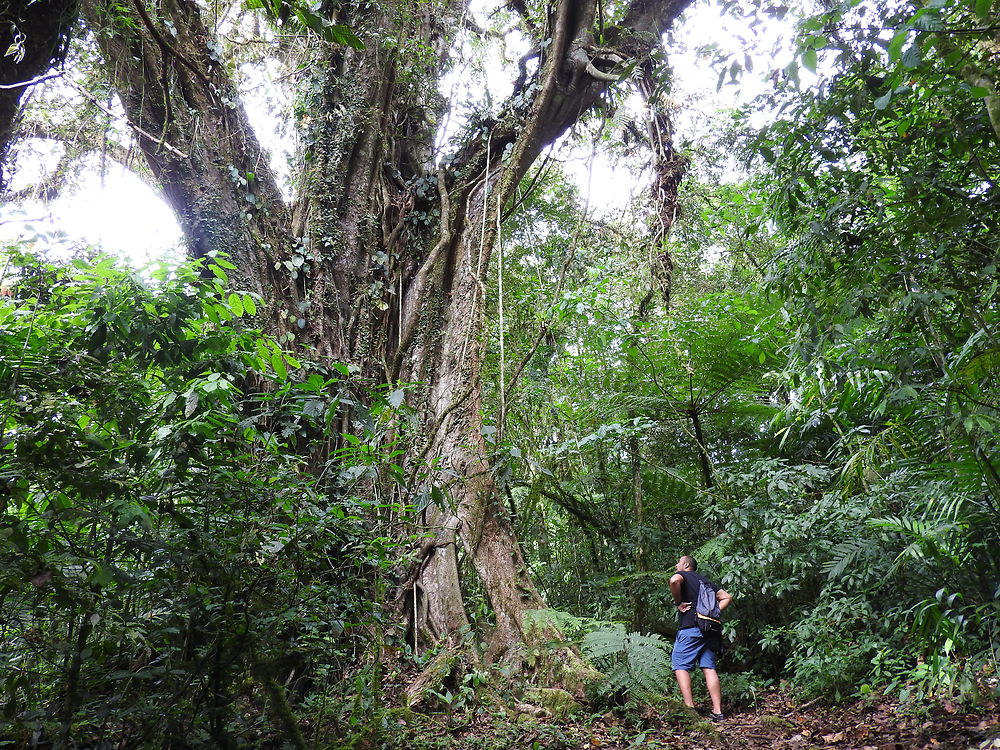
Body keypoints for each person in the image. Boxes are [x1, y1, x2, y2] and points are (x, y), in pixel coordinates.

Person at [670, 555, 732, 721]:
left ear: (686, 564)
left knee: (679, 663)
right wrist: (712, 613)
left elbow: (674, 581)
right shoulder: (706, 581)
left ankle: (690, 708)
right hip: (710, 629)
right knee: (709, 667)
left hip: (691, 626)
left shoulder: (684, 575)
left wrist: (678, 603)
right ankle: (718, 711)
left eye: (679, 562)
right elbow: (727, 597)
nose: (676, 565)